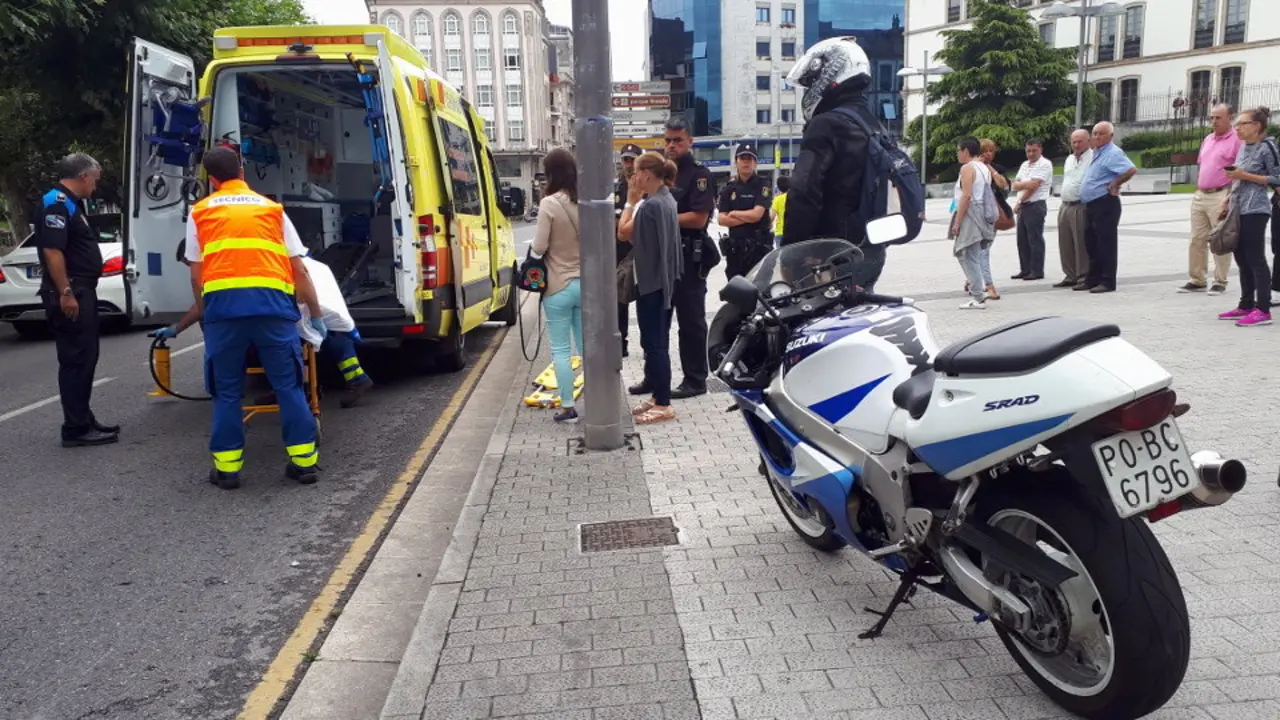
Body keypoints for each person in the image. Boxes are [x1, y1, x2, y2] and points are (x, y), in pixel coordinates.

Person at [186, 146, 326, 490]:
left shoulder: (200, 212)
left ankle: (228, 470)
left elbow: (196, 275)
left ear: (212, 178)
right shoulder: (271, 209)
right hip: (273, 310)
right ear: (243, 171)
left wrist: (205, 313)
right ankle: (304, 463)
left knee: (228, 392)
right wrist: (317, 315)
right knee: (288, 386)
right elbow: (299, 270)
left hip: (224, 313)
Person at [161, 242, 374, 409]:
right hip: (300, 280)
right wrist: (176, 328)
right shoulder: (229, 255)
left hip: (300, 283)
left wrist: (178, 328)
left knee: (311, 334)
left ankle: (340, 381)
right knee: (307, 335)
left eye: (189, 265)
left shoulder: (223, 262)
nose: (192, 270)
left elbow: (203, 304)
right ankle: (303, 387)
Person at [780, 37, 888, 291]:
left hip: (826, 255)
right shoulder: (873, 125)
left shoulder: (826, 124)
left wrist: (791, 253)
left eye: (810, 82)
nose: (808, 90)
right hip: (869, 252)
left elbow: (803, 191)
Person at [627, 116, 716, 401]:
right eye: (667, 140)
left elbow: (699, 218)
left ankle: (694, 378)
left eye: (677, 140)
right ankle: (653, 377)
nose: (671, 145)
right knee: (656, 323)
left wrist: (660, 219)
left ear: (690, 141)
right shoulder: (663, 172)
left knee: (690, 321)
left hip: (689, 258)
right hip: (660, 259)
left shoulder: (699, 175)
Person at [34, 153, 117, 447]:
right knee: (76, 359)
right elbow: (52, 252)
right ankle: (75, 428)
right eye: (94, 179)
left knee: (85, 358)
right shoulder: (56, 203)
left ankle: (83, 418)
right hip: (71, 292)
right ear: (83, 176)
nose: (95, 185)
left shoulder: (70, 203)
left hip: (81, 290)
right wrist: (66, 292)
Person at [619, 152, 683, 424]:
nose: (633, 177)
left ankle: (664, 403)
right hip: (665, 279)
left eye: (636, 171)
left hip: (652, 282)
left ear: (646, 173)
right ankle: (658, 395)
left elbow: (622, 232)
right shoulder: (666, 198)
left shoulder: (649, 206)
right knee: (656, 340)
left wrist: (630, 202)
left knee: (655, 343)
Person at [531, 148, 584, 422]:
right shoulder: (585, 201)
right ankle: (600, 399)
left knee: (562, 350)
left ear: (550, 173)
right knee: (588, 348)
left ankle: (567, 407)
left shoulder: (550, 203)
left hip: (558, 286)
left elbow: (539, 248)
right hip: (585, 284)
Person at [1216, 106, 1280, 327]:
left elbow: (1276, 178)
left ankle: (1263, 309)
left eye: (1243, 124)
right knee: (1241, 258)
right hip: (1238, 207)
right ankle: (1245, 304)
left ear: (1257, 126)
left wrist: (1245, 175)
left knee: (1256, 259)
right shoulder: (1243, 147)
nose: (1238, 128)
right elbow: (1237, 176)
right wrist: (1227, 199)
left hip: (1256, 209)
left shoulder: (1268, 147)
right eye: (1237, 124)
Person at [1183, 104, 1241, 295]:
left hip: (1221, 193)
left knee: (1219, 237)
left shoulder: (1236, 140)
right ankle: (1197, 278)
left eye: (1218, 118)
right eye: (1212, 118)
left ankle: (1220, 280)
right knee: (1196, 239)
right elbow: (1202, 164)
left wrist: (1229, 197)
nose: (1214, 122)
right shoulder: (1208, 139)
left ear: (1229, 118)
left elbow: (1238, 172)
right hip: (1202, 193)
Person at [1078, 121, 1137, 293]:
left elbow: (1131, 169)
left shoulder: (1113, 153)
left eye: (1101, 133)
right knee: (1092, 242)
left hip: (1105, 203)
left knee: (1106, 243)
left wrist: (1116, 183)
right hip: (1091, 204)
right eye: (1095, 133)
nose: (1097, 137)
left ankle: (1107, 281)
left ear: (1111, 136)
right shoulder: (1096, 153)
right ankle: (1092, 278)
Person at [949, 137, 997, 310]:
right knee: (972, 254)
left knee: (967, 254)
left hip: (971, 213)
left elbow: (967, 195)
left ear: (966, 151)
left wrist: (957, 221)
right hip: (982, 212)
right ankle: (978, 290)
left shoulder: (967, 168)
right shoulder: (984, 168)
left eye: (958, 150)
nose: (957, 154)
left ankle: (977, 295)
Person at [717, 142, 774, 279]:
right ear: (736, 162)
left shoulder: (763, 184)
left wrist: (735, 213)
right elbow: (721, 219)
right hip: (736, 251)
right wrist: (746, 217)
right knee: (736, 294)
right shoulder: (729, 188)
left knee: (761, 292)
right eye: (742, 159)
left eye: (750, 159)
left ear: (755, 163)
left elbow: (756, 215)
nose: (746, 162)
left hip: (758, 250)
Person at [1055, 129, 1094, 288]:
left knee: (1080, 243)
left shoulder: (1093, 157)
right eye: (1074, 142)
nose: (1076, 145)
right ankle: (1070, 274)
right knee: (1065, 241)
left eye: (1080, 141)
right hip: (1065, 203)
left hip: (1080, 204)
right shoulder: (1069, 159)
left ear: (1088, 141)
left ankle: (1083, 276)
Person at [1010, 138, 1054, 281]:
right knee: (1022, 239)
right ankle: (1025, 269)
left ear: (1040, 149)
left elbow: (1034, 187)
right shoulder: (1024, 165)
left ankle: (1037, 270)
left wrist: (1020, 200)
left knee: (1034, 239)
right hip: (1023, 205)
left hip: (1035, 204)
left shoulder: (1045, 164)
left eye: (1034, 150)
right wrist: (1023, 186)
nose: (1031, 154)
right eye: (1028, 151)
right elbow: (1015, 185)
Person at [614, 143, 642, 357]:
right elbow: (612, 220)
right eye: (626, 159)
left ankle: (647, 346)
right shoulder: (616, 186)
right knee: (619, 300)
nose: (629, 164)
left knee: (644, 300)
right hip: (620, 250)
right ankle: (621, 342)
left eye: (632, 159)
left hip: (640, 249)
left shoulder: (645, 185)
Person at [976, 139, 1009, 300]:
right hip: (976, 215)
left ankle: (986, 284)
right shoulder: (972, 168)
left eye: (991, 150)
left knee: (983, 250)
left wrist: (989, 168)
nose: (988, 154)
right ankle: (975, 281)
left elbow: (1003, 185)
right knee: (976, 251)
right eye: (985, 151)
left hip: (992, 214)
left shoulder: (997, 168)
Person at [770, 175, 789, 249]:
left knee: (780, 257)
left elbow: (772, 217)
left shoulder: (777, 199)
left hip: (780, 232)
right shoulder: (793, 197)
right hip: (791, 231)